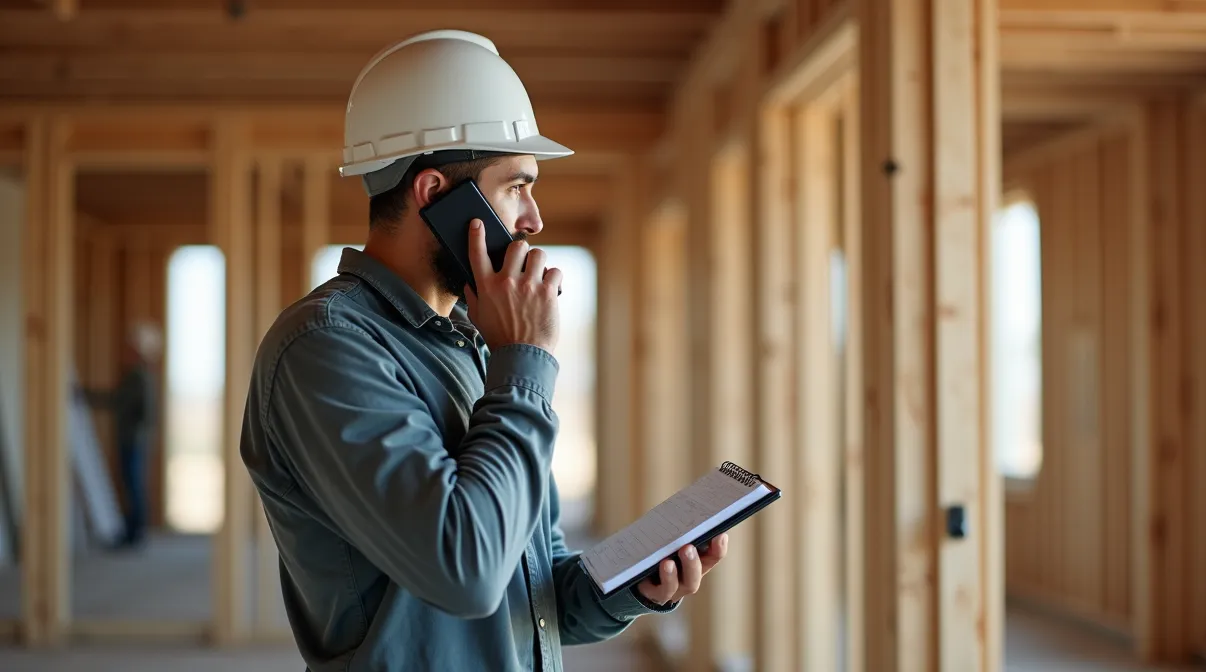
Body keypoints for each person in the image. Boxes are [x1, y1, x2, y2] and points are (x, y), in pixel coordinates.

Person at [240, 30, 729, 671]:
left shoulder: (475, 347)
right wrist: (524, 365)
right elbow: (465, 570)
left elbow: (533, 590)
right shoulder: (326, 350)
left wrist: (627, 590)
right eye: (516, 185)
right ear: (436, 194)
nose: (533, 220)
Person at [82, 321, 161, 550]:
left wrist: (86, 397)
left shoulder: (138, 377)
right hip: (135, 439)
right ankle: (135, 530)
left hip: (132, 440)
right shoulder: (141, 376)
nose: (125, 355)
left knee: (133, 484)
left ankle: (135, 532)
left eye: (130, 350)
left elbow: (120, 401)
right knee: (133, 483)